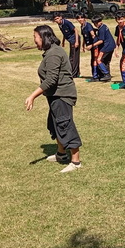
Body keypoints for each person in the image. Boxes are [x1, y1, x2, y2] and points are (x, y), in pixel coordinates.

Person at [24, 25, 82, 173]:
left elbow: (51, 80)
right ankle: (61, 154)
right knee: (54, 124)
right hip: (55, 95)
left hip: (62, 95)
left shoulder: (53, 54)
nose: (34, 40)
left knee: (64, 124)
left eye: (35, 37)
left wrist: (32, 96)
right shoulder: (51, 51)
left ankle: (76, 162)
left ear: (43, 37)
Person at [88, 14, 116, 82]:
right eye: (94, 23)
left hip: (107, 46)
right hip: (111, 45)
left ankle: (106, 74)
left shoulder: (101, 29)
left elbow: (101, 41)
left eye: (97, 23)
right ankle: (106, 76)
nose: (96, 24)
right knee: (106, 61)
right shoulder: (104, 26)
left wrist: (92, 45)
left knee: (99, 60)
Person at [53, 13, 80, 78]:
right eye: (55, 19)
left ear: (61, 17)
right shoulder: (60, 25)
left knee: (74, 58)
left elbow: (76, 30)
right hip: (70, 41)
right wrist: (63, 41)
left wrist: (76, 42)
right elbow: (64, 33)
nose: (57, 20)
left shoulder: (67, 22)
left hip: (74, 39)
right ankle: (75, 72)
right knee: (71, 57)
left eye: (57, 18)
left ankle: (74, 74)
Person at [76, 14, 96, 79]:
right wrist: (83, 46)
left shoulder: (88, 25)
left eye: (81, 18)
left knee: (94, 60)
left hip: (94, 45)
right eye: (78, 18)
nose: (80, 19)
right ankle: (94, 75)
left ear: (85, 18)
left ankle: (96, 76)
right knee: (93, 60)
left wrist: (93, 44)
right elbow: (84, 37)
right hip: (90, 45)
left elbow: (93, 34)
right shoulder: (82, 26)